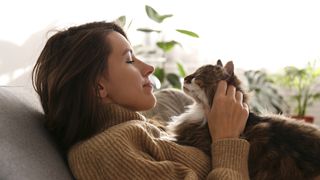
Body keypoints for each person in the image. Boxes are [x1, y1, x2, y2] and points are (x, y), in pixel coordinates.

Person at [32, 21, 250, 180]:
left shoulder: (139, 130)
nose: (149, 68)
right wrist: (227, 141)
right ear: (98, 87)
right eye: (129, 60)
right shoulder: (106, 150)